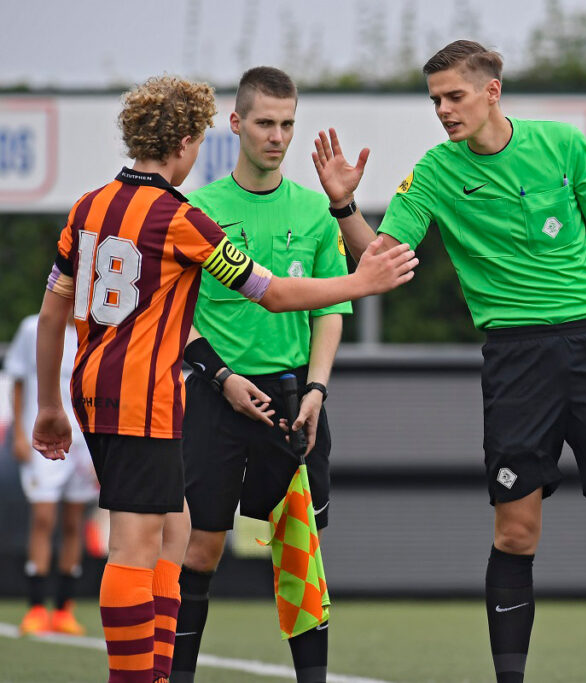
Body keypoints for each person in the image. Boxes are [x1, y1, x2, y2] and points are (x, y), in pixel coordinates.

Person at [311, 40, 586, 683]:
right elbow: (379, 262)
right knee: (516, 532)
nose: (443, 109)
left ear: (492, 91)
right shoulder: (435, 171)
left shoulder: (563, 145)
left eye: (454, 96)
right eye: (435, 100)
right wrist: (343, 206)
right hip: (515, 360)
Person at [31, 74, 416, 683]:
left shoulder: (88, 206)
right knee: (136, 547)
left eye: (286, 124)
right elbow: (272, 292)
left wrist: (50, 404)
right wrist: (361, 283)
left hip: (94, 390)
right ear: (187, 142)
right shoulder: (183, 217)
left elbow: (53, 308)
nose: (277, 135)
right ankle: (136, 677)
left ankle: (160, 671)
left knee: (175, 534)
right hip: (147, 396)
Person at [170, 66, 350, 683]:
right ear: (236, 123)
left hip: (293, 400)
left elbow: (330, 311)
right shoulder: (197, 210)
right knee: (201, 548)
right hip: (215, 395)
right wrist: (222, 378)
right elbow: (176, 318)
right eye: (265, 123)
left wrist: (317, 389)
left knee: (300, 555)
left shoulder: (317, 210)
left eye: (287, 124)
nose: (277, 136)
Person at [5, 311, 99, 636]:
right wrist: (18, 433)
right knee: (44, 519)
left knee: (74, 522)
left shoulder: (98, 329)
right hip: (43, 438)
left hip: (83, 444)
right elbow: (18, 380)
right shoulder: (33, 327)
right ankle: (35, 608)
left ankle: (63, 610)